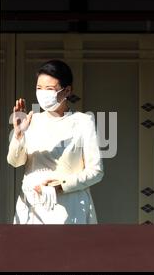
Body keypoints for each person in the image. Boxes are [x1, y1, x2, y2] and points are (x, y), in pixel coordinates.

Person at [7, 60, 104, 224]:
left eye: (50, 89)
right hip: (33, 209)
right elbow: (14, 162)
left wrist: (61, 186)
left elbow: (96, 171)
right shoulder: (32, 120)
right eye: (39, 88)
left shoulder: (83, 121)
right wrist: (18, 133)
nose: (43, 93)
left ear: (67, 90)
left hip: (70, 208)